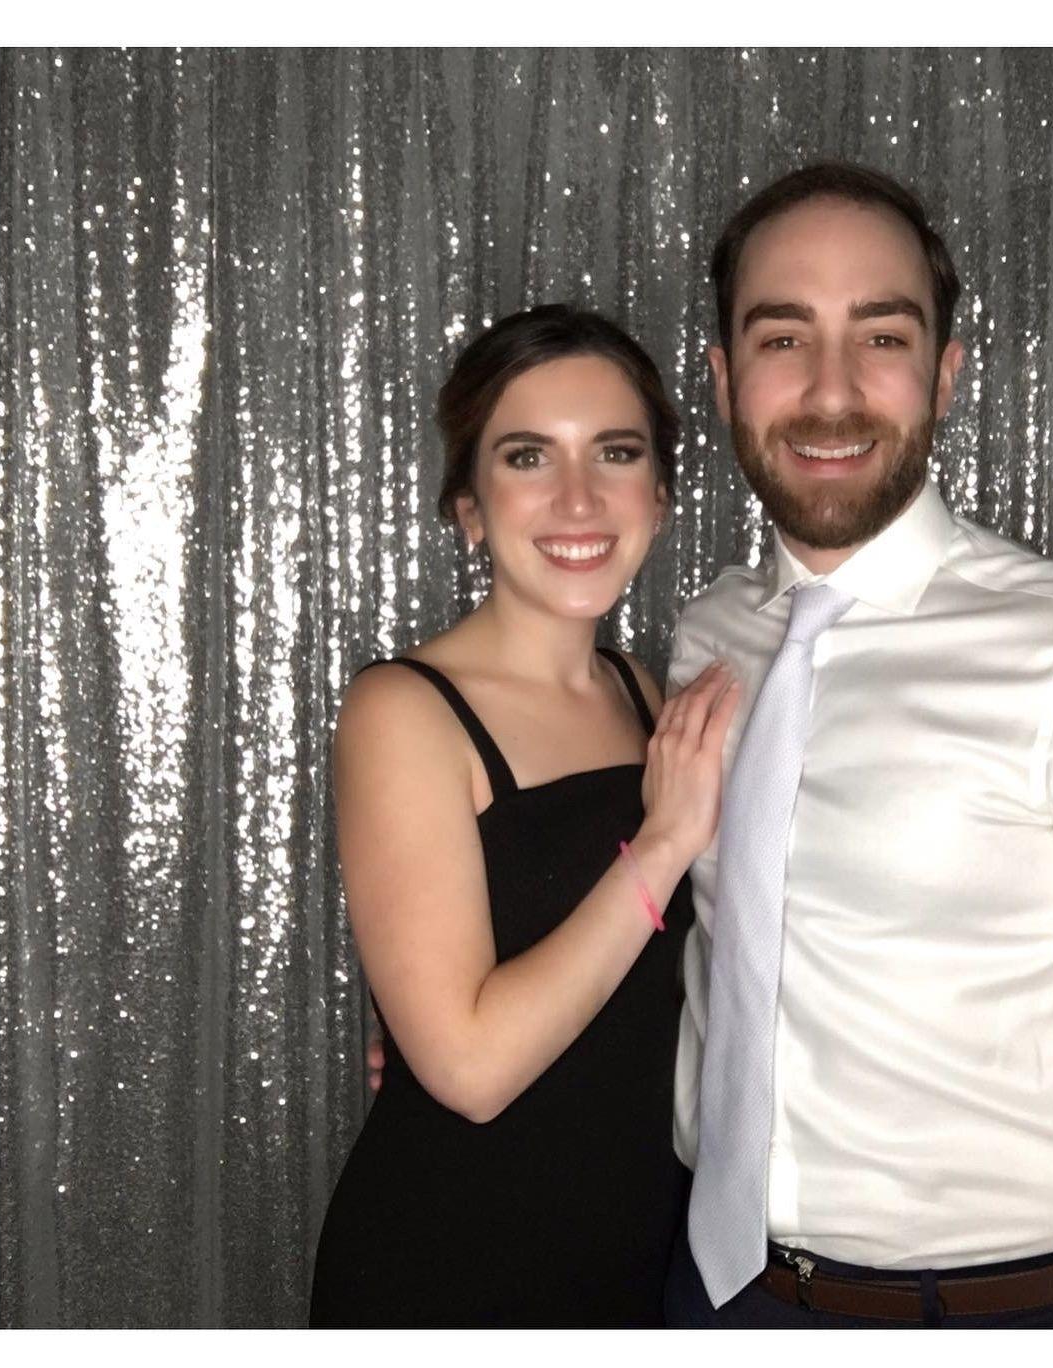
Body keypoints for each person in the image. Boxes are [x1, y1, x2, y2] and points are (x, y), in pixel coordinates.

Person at [663, 163, 1053, 1329]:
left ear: (945, 373)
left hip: (993, 1316)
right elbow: (711, 942)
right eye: (783, 338)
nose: (832, 392)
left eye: (881, 338)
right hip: (711, 1292)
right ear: (724, 376)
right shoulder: (710, 636)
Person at [309, 304, 740, 1328]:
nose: (578, 498)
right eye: (528, 456)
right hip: (456, 1267)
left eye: (617, 453)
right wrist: (664, 844)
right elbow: (471, 1070)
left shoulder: (648, 693)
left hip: (639, 1260)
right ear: (469, 506)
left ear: (660, 496)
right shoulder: (403, 710)